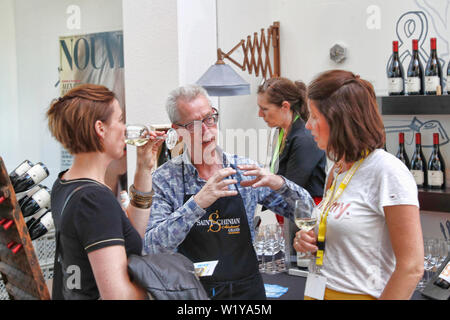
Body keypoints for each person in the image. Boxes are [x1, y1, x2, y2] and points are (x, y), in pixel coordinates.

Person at [144, 84, 314, 300]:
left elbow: (308, 212)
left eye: (209, 118)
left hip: (248, 292)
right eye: (195, 125)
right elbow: (151, 248)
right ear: (178, 130)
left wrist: (278, 181)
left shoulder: (244, 170)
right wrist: (196, 204)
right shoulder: (165, 179)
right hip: (192, 294)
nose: (206, 131)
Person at [294, 70, 424, 300]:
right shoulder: (337, 168)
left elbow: (411, 267)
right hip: (317, 291)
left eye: (314, 116)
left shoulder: (387, 171)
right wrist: (307, 239)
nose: (307, 126)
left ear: (338, 119)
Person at [47, 84, 164, 300]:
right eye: (120, 120)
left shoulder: (66, 183)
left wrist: (144, 169)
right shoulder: (94, 200)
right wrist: (162, 288)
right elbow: (118, 296)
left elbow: (128, 231)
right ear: (100, 129)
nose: (124, 128)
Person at [257, 77, 326, 205]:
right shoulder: (281, 132)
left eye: (264, 109)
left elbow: (292, 186)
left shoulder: (304, 139)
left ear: (285, 106)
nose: (260, 114)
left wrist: (256, 190)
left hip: (306, 211)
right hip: (289, 209)